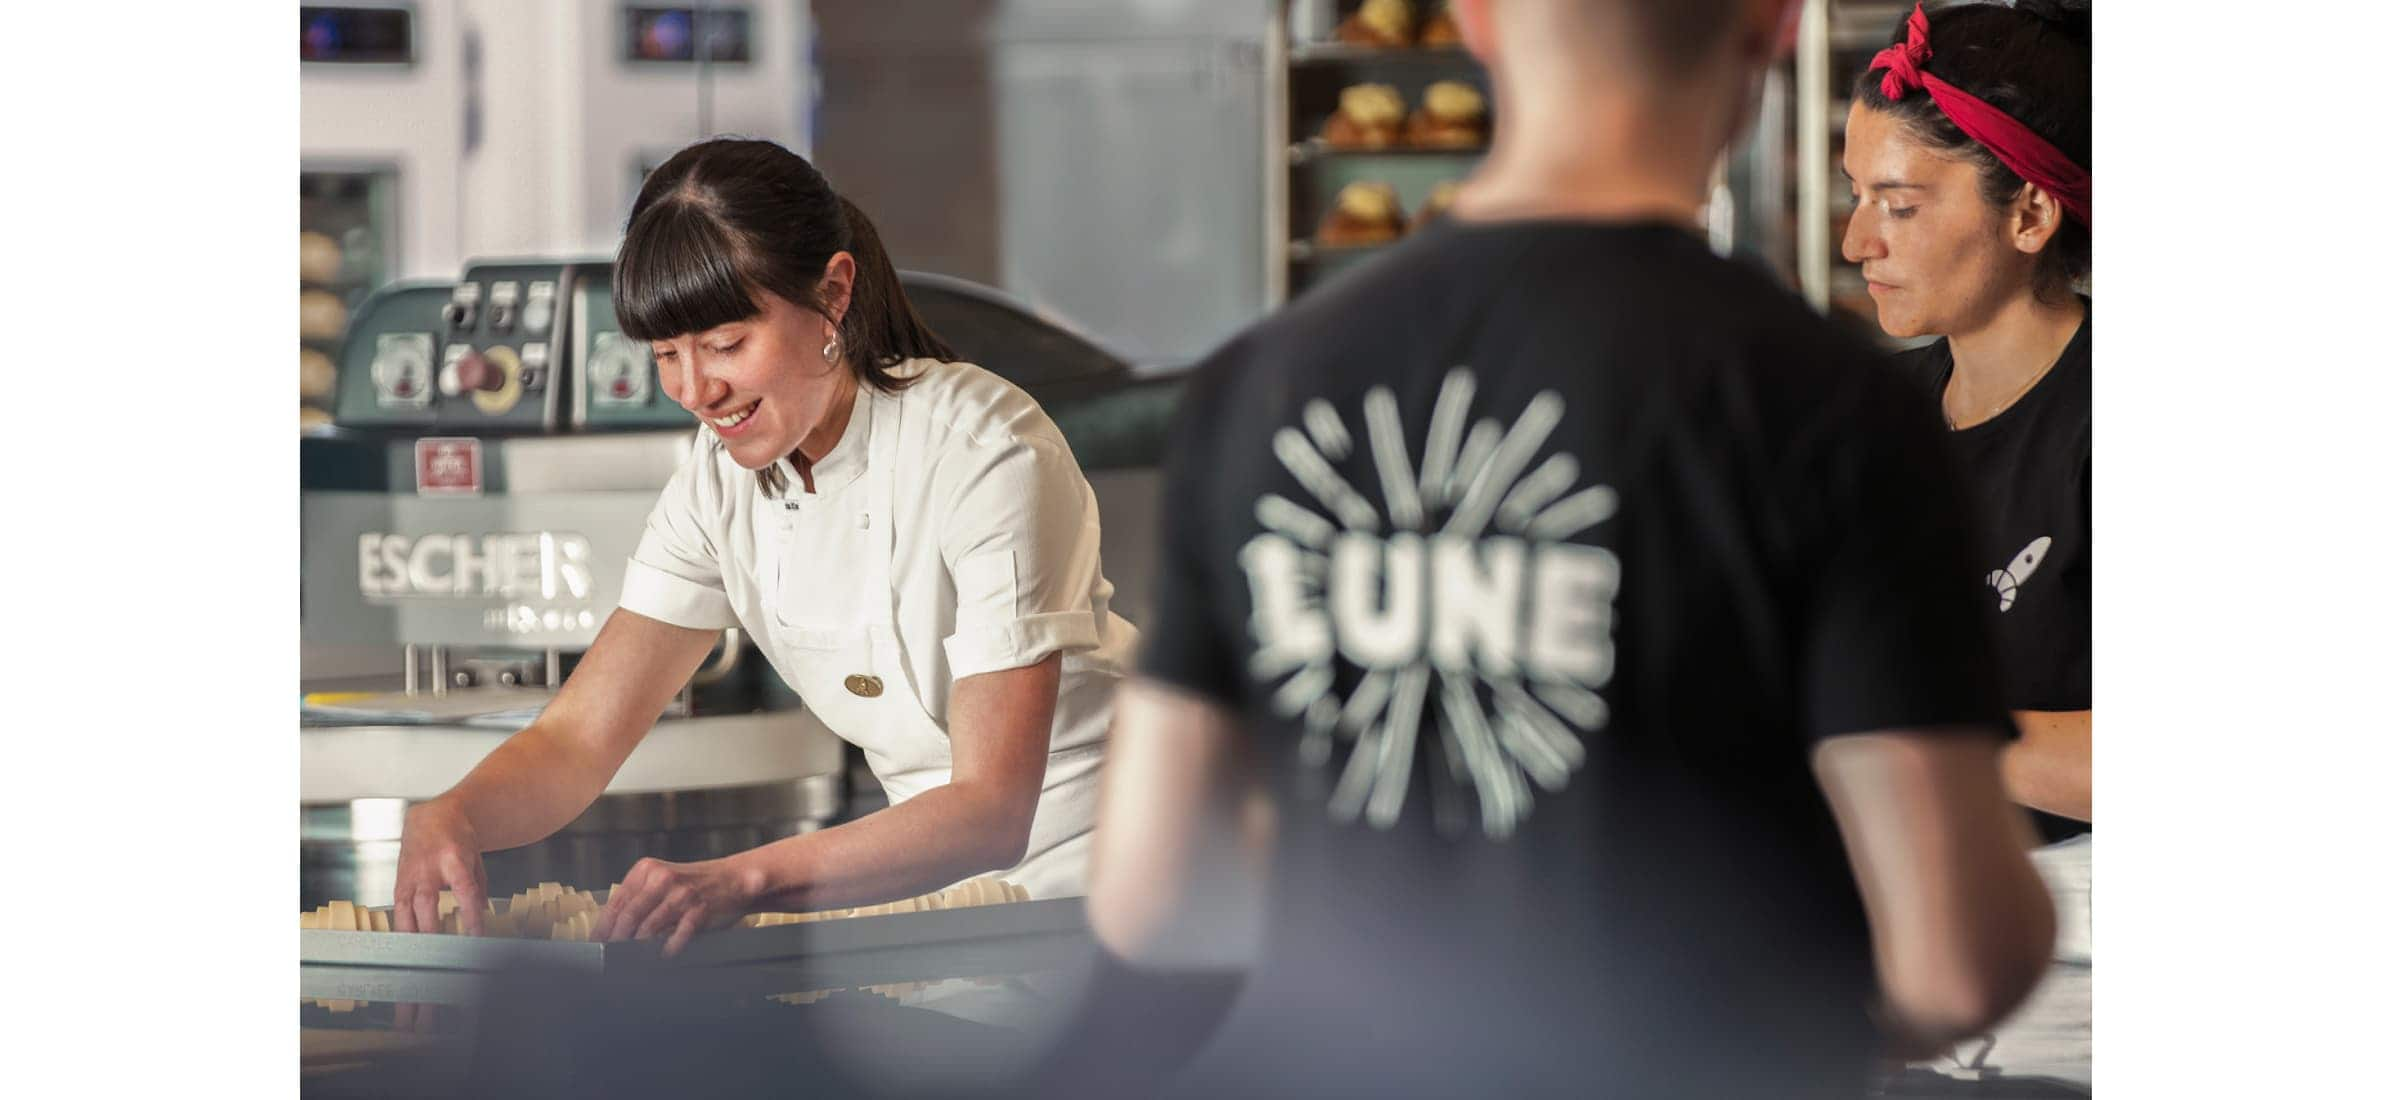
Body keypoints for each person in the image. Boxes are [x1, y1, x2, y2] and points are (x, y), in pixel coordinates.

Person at [1077, 0, 2055, 1096]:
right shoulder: (1828, 402)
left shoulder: (1259, 382)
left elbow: (1151, 897)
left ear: (1477, 23)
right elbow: (1957, 959)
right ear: (1765, 36)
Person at [391, 138, 1138, 956]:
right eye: (667, 356)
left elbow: (992, 809)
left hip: (1130, 888)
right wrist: (453, 812)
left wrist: (742, 881)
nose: (694, 391)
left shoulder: (985, 450)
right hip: (945, 910)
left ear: (834, 293)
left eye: (724, 344)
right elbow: (576, 742)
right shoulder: (718, 486)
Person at [1841, 0, 2094, 1082]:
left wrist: (1911, 729)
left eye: (1896, 204)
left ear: (2030, 212)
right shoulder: (1867, 421)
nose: (1856, 242)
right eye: (1856, 199)